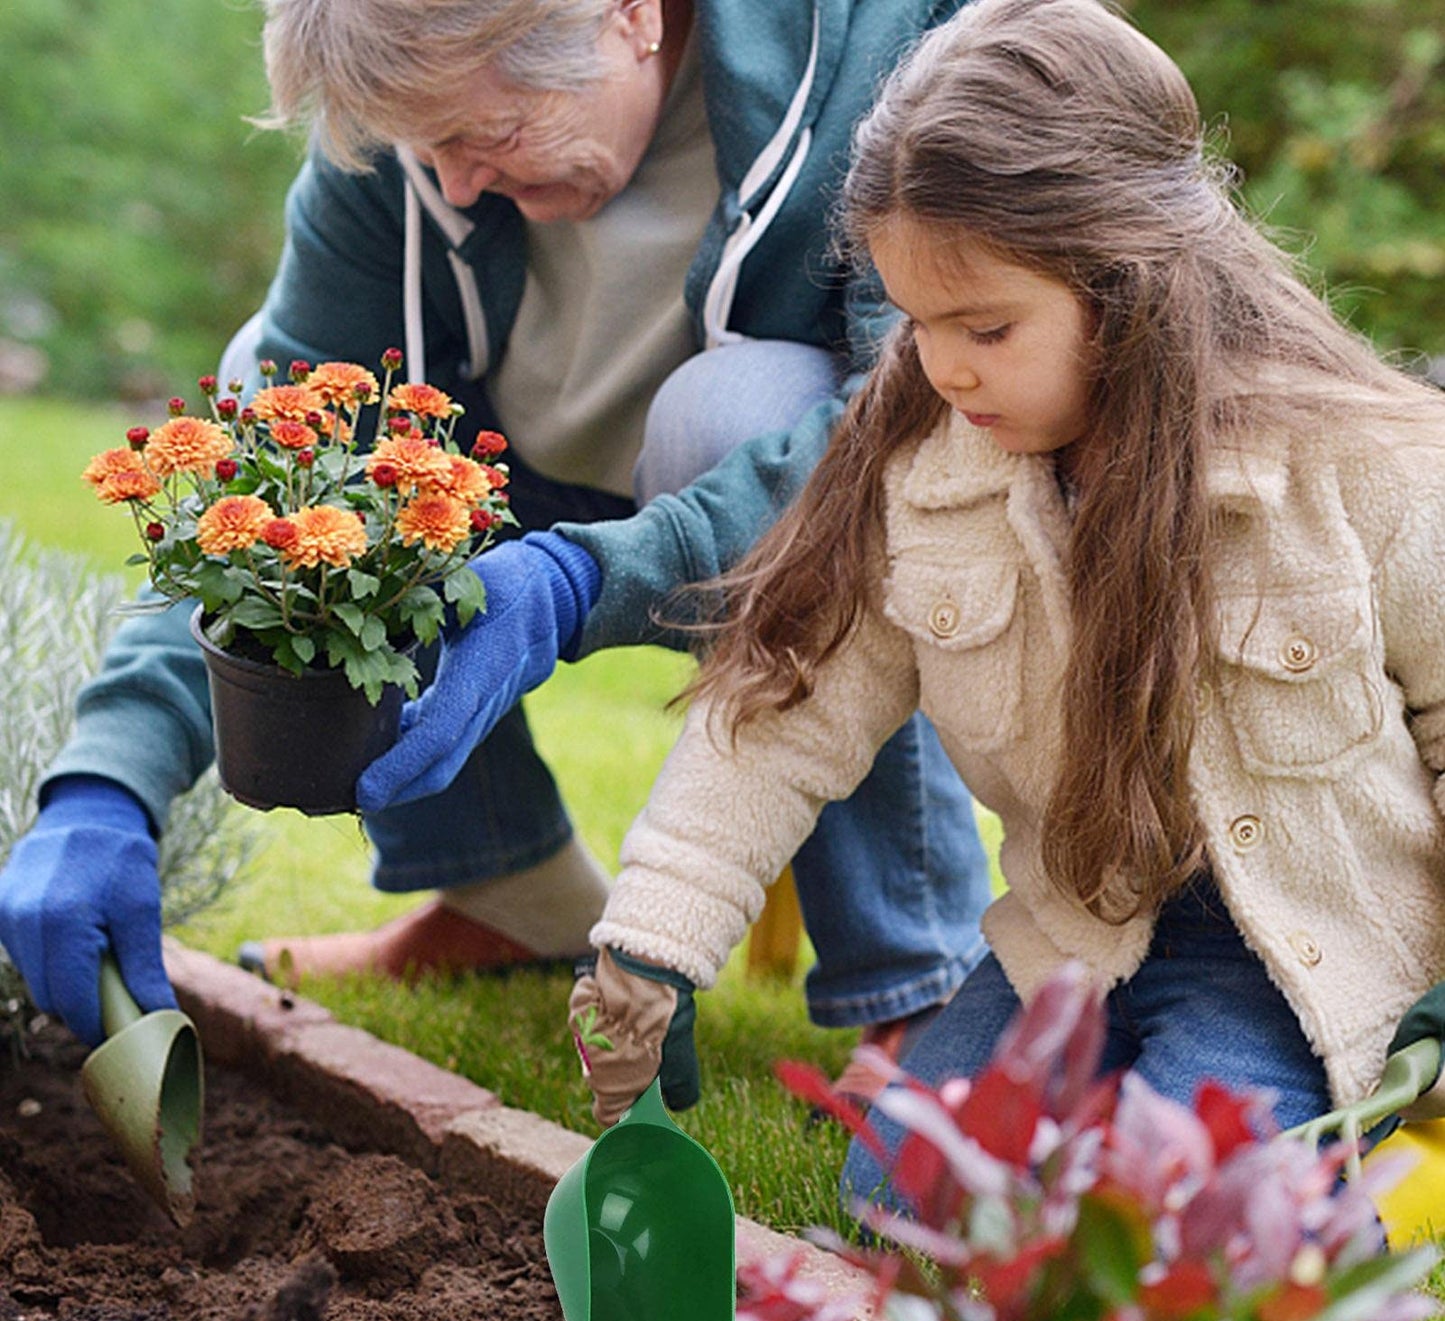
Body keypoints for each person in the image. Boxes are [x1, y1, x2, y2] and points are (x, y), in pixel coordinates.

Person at [571, 0, 1445, 1218]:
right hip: (1079, 932)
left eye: (983, 326)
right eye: (915, 321)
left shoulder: (1356, 459)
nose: (941, 366)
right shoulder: (925, 466)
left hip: (1302, 947)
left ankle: (1294, 1134)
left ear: (1131, 279)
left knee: (1154, 1224)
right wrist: (653, 939)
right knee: (903, 1194)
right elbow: (784, 710)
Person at [0, 0, 993, 1067]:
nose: (456, 184)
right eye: (429, 151)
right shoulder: (407, 158)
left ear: (628, 17)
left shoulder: (884, 51)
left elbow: (912, 432)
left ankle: (913, 982)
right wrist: (105, 783)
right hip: (522, 485)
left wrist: (573, 581)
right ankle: (510, 888)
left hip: (745, 484)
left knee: (731, 410)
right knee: (291, 404)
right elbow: (262, 480)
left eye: (486, 137)